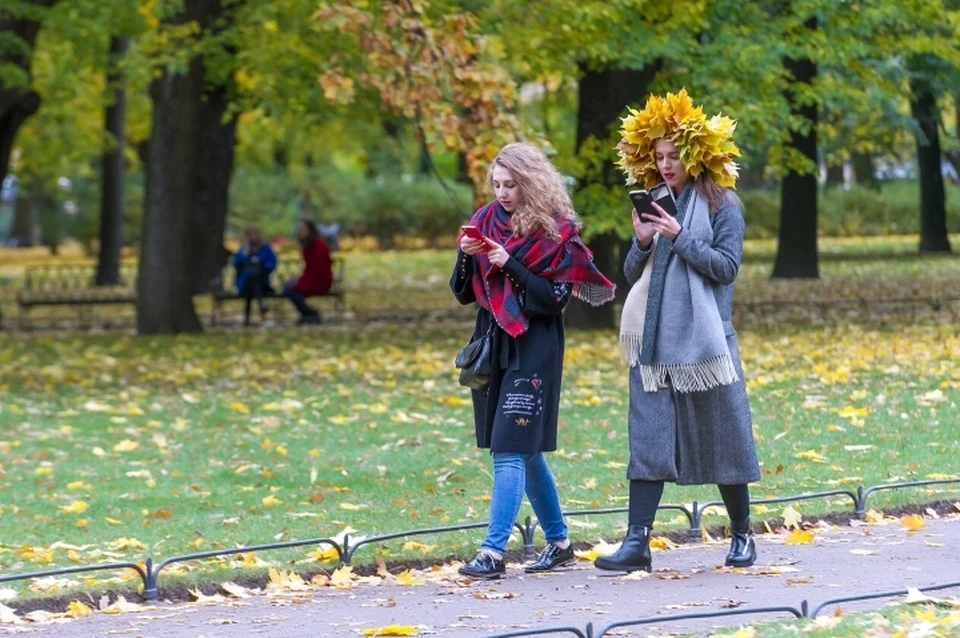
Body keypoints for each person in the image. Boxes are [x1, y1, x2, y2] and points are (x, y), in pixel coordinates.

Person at [595, 89, 761, 573]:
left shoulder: (723, 204)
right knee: (648, 436)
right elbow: (632, 273)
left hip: (707, 342)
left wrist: (677, 236)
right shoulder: (656, 202)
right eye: (659, 156)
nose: (665, 165)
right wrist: (644, 242)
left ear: (696, 157)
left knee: (725, 434)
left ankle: (743, 536)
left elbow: (725, 268)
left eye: (675, 156)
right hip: (652, 341)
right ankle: (636, 544)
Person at [450, 142, 616, 579]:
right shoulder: (486, 221)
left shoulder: (556, 232)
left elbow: (553, 301)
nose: (502, 193)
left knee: (508, 449)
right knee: (524, 453)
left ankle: (492, 552)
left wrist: (511, 265)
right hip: (494, 343)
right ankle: (560, 543)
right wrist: (467, 256)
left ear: (530, 182)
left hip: (535, 347)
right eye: (497, 184)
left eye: (511, 185)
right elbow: (464, 292)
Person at [283, 219, 333, 325]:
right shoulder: (308, 245)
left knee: (290, 289)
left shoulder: (319, 245)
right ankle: (308, 314)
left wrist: (300, 281)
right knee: (287, 286)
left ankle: (310, 314)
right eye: (299, 230)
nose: (301, 232)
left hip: (320, 281)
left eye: (303, 229)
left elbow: (319, 268)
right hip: (311, 279)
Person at [232, 225, 277, 326]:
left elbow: (270, 264)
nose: (251, 237)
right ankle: (261, 303)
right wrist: (245, 254)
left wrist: (259, 261)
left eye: (254, 234)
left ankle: (247, 318)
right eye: (249, 234)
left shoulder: (265, 248)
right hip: (245, 284)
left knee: (254, 276)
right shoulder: (243, 249)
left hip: (262, 283)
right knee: (251, 278)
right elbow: (236, 263)